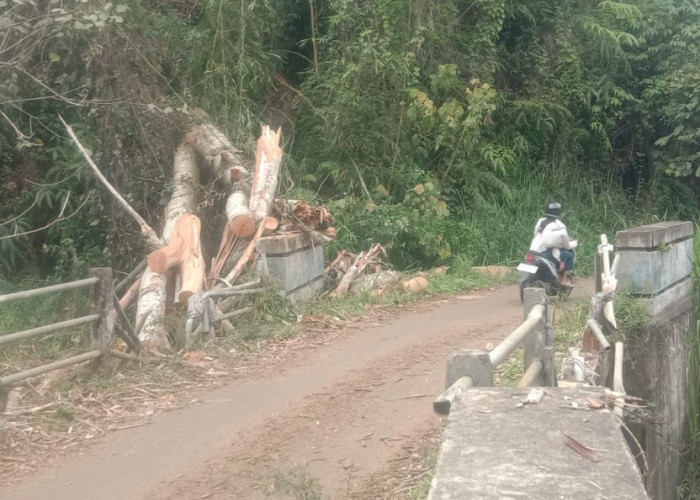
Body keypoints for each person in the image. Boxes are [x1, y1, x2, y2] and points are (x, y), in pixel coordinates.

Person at [529, 202, 577, 285]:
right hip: (548, 252)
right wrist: (573, 243)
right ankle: (564, 280)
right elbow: (566, 245)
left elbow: (535, 233)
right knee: (569, 256)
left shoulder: (540, 221)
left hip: (533, 250)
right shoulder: (560, 227)